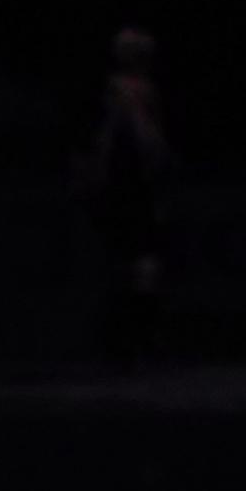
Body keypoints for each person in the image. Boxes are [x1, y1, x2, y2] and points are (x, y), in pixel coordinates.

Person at [79, 24, 175, 370]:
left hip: (131, 184)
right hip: (133, 184)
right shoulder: (133, 92)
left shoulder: (129, 92)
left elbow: (128, 137)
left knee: (131, 261)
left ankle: (133, 339)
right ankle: (134, 339)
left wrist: (100, 172)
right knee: (135, 261)